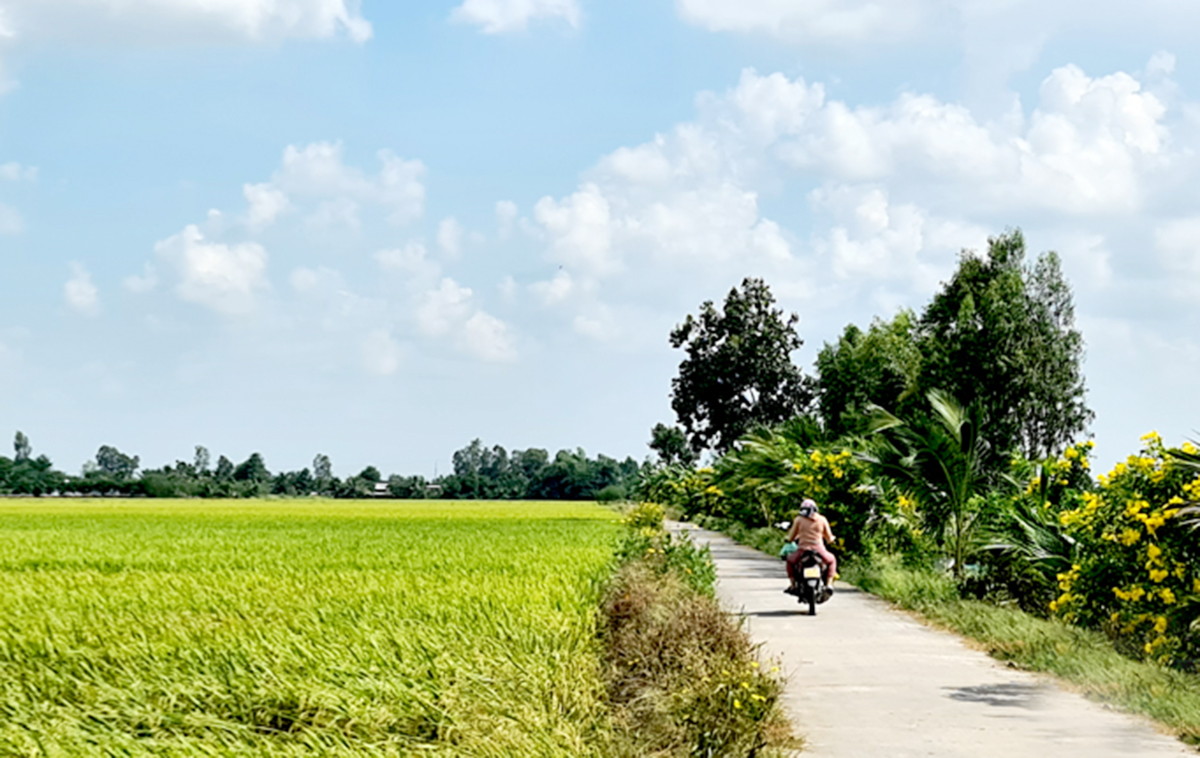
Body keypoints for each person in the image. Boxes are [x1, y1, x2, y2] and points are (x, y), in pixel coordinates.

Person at [784, 498, 837, 595]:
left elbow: (791, 536)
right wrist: (832, 540)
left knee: (790, 561)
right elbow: (829, 537)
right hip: (819, 550)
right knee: (832, 560)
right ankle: (829, 584)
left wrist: (788, 539)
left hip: (803, 550)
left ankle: (793, 585)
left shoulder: (798, 520)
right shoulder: (822, 520)